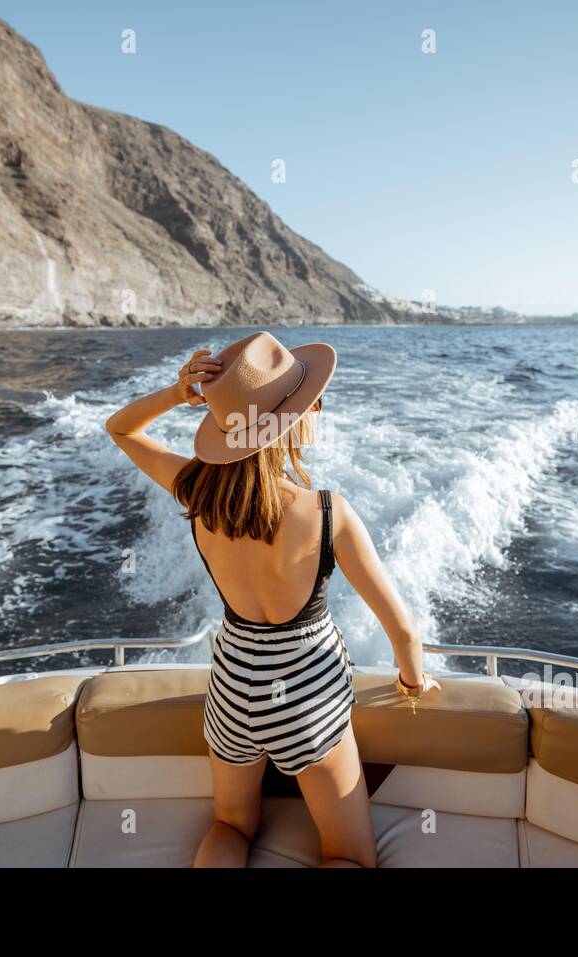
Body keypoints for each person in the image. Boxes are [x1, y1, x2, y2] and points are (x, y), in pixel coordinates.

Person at [105, 331, 440, 868]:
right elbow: (402, 631)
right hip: (309, 704)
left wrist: (177, 394)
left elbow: (120, 428)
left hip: (234, 692)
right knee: (349, 857)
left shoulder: (195, 489)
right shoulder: (328, 512)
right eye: (310, 405)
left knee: (230, 826)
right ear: (292, 422)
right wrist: (412, 682)